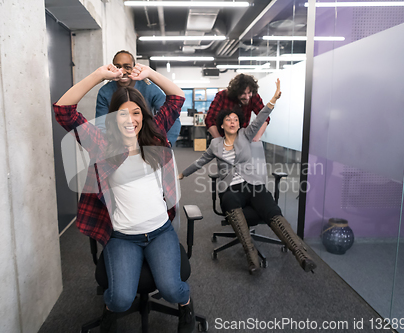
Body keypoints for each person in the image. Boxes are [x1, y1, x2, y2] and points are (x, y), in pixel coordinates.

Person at [53, 63, 195, 333]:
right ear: (112, 118)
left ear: (144, 114)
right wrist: (98, 76)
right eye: (122, 114)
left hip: (159, 231)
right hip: (122, 236)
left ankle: (186, 303)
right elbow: (64, 110)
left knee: (172, 290)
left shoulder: (156, 135)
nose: (130, 119)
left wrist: (150, 74)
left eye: (136, 112)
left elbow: (177, 97)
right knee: (119, 300)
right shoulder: (101, 143)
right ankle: (110, 310)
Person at [180, 79, 317, 274]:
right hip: (229, 188)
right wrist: (182, 174)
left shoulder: (245, 134)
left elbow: (262, 116)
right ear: (222, 124)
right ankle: (251, 257)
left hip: (252, 184)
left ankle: (301, 253)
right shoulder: (215, 144)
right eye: (228, 120)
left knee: (270, 208)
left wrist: (274, 99)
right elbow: (200, 162)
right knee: (231, 204)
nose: (233, 122)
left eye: (236, 119)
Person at [95, 50, 182, 146]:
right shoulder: (105, 92)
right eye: (118, 67)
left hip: (146, 139)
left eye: (127, 67)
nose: (122, 71)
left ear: (133, 68)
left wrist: (166, 145)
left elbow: (172, 113)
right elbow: (101, 126)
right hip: (117, 143)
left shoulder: (149, 88)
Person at [205, 73, 269, 142]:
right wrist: (219, 141)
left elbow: (264, 117)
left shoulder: (254, 97)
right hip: (223, 136)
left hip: (242, 139)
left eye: (249, 93)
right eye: (243, 94)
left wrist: (256, 138)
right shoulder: (222, 96)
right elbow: (209, 120)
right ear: (236, 92)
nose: (247, 97)